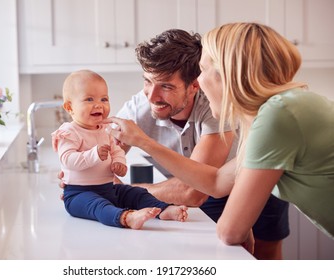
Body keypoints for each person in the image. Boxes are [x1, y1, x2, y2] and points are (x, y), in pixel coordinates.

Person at [59, 29, 290, 259]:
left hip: (256, 182)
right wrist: (84, 179)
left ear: (194, 85)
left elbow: (193, 192)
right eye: (148, 81)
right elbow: (103, 151)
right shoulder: (141, 105)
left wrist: (127, 192)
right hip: (213, 187)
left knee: (265, 258)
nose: (152, 96)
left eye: (166, 86)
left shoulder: (215, 106)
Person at [104, 23, 334, 248]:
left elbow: (229, 231)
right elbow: (217, 181)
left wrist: (128, 187)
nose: (200, 83)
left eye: (202, 70)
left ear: (226, 74)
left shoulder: (278, 116)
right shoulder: (279, 109)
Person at [52, 70, 188, 230]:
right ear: (69, 107)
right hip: (79, 194)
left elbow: (117, 150)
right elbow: (68, 160)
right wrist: (94, 154)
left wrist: (118, 162)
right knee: (98, 206)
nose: (99, 104)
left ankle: (164, 210)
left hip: (108, 188)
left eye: (104, 99)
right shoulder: (68, 132)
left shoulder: (105, 130)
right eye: (89, 99)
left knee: (136, 193)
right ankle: (126, 217)